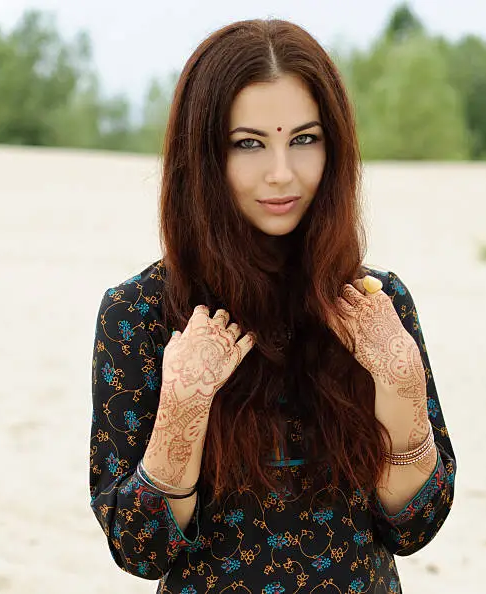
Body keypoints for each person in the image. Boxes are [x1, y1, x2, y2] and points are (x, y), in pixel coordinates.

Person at [89, 18, 456, 594]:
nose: (282, 174)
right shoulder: (139, 313)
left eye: (304, 139)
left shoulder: (375, 304)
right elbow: (142, 551)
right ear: (203, 156)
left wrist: (400, 379)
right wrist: (184, 405)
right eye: (249, 144)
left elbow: (415, 525)